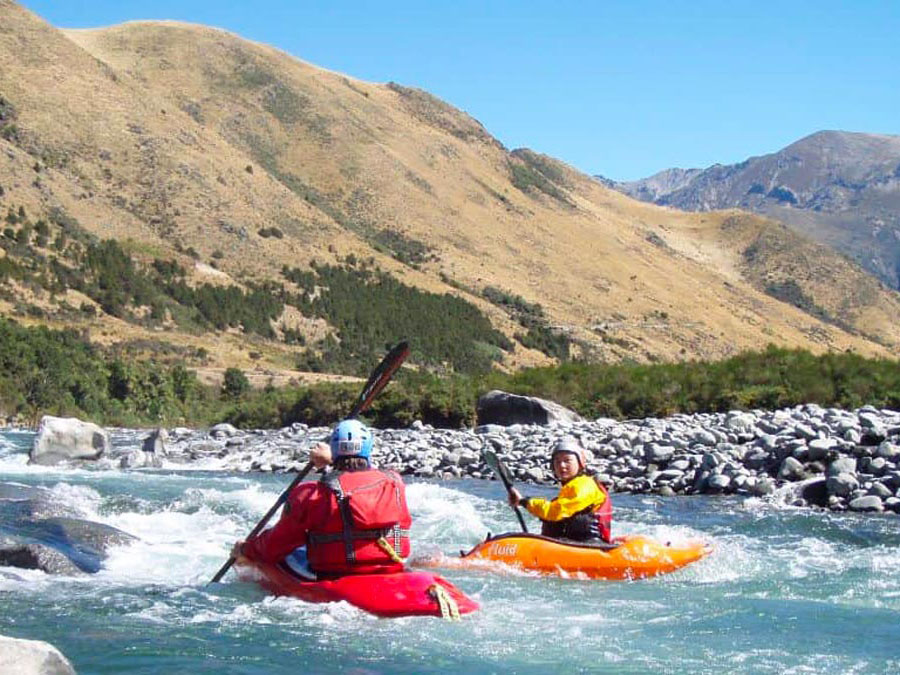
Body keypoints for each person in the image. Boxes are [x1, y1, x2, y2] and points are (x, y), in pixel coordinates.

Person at [232, 419, 412, 579]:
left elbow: (275, 545)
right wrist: (332, 461)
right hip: (389, 569)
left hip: (333, 574)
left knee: (287, 552)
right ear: (369, 450)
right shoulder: (395, 482)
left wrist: (246, 549)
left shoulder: (309, 494)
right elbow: (365, 478)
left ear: (333, 451)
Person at [508, 436, 612, 543]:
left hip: (590, 544)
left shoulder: (584, 485)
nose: (562, 465)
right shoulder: (571, 487)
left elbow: (556, 512)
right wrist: (521, 501)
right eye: (557, 461)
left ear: (580, 464)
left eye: (567, 461)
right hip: (573, 543)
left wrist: (525, 502)